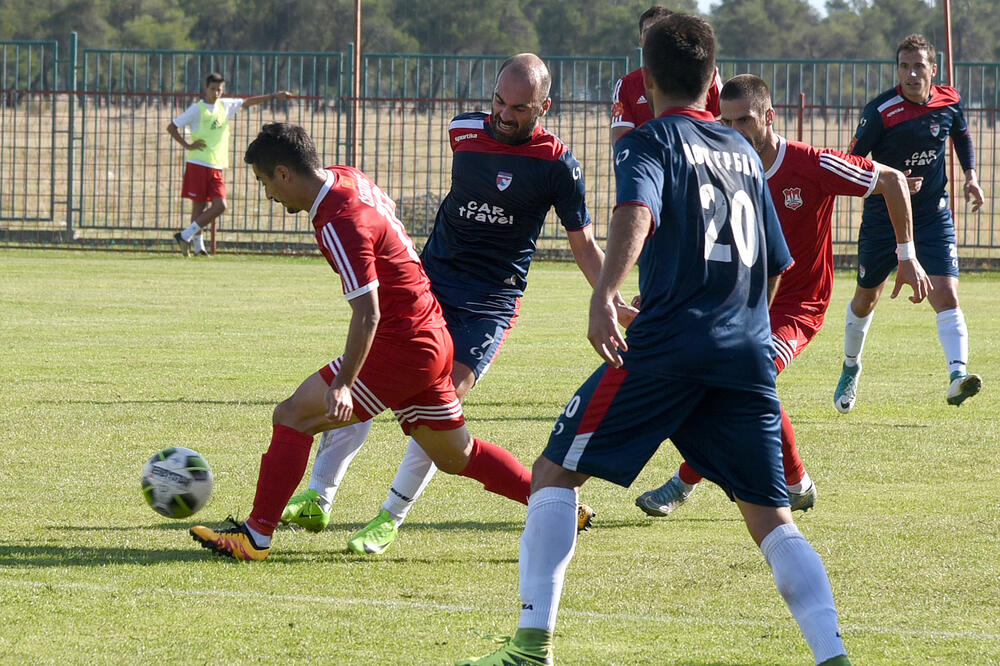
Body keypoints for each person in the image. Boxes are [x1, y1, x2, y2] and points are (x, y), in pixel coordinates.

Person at [458, 15, 851, 666]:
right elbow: (778, 263)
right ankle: (833, 655)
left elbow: (635, 211)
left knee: (554, 474)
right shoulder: (740, 152)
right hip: (745, 350)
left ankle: (530, 648)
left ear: (648, 73)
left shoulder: (649, 142)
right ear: (711, 78)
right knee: (771, 519)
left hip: (671, 343)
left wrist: (605, 294)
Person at [280, 53, 633, 555]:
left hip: (489, 305)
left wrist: (610, 299)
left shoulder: (558, 164)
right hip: (430, 287)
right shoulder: (463, 129)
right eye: (499, 101)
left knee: (442, 405)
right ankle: (320, 495)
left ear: (545, 107)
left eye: (519, 108)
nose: (505, 115)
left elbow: (583, 244)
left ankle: (390, 516)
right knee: (364, 375)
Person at [189, 122, 550, 561]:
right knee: (458, 454)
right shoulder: (348, 177)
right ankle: (557, 507)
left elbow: (369, 313)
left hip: (402, 344)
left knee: (292, 416)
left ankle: (255, 536)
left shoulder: (339, 221)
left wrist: (343, 384)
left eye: (266, 183)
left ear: (284, 173)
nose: (269, 195)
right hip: (433, 334)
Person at [634, 74, 931, 518]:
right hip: (736, 302)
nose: (732, 131)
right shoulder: (719, 166)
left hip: (797, 306)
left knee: (746, 378)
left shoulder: (811, 164)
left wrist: (906, 256)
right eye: (725, 121)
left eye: (744, 120)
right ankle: (797, 481)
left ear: (769, 117)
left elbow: (889, 180)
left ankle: (683, 484)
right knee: (714, 385)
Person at [834, 33, 986, 412]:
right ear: (897, 69)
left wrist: (971, 177)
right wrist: (892, 180)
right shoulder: (881, 110)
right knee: (867, 297)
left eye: (919, 66)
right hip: (883, 220)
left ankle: (957, 376)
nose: (912, 73)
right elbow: (852, 165)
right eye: (904, 66)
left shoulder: (949, 100)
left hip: (933, 216)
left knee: (947, 295)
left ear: (933, 69)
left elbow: (962, 136)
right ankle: (851, 367)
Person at [168, 72, 292, 256]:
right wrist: (187, 144)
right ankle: (198, 247)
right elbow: (172, 126)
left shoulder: (225, 106)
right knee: (199, 207)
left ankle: (185, 236)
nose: (216, 93)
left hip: (216, 165)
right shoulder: (197, 109)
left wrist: (273, 96)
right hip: (198, 163)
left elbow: (248, 102)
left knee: (220, 205)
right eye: (213, 89)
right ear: (206, 88)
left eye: (219, 89)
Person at [610, 5, 722, 147]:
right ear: (640, 40)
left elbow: (724, 126)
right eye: (648, 32)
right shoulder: (626, 85)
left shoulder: (704, 75)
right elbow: (621, 142)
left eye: (660, 32)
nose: (654, 38)